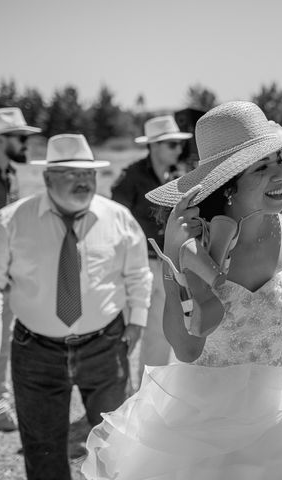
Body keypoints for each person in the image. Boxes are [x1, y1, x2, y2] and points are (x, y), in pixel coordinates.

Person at [82, 101, 282, 480]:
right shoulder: (198, 245)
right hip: (207, 424)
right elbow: (186, 350)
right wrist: (174, 257)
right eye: (262, 167)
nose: (280, 174)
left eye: (279, 160)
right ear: (229, 184)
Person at [0, 134, 152, 480]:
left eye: (89, 173)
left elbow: (139, 275)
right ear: (47, 178)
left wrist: (137, 323)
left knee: (114, 447)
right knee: (43, 449)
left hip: (105, 346)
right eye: (70, 173)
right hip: (35, 350)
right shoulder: (11, 222)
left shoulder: (119, 219)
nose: (83, 180)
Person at [112, 115, 192, 377]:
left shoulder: (180, 177)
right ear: (153, 146)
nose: (178, 150)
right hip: (137, 264)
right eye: (171, 144)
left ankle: (147, 395)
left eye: (178, 144)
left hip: (168, 263)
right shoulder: (130, 177)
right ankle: (118, 390)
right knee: (124, 329)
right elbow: (116, 219)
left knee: (159, 332)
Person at [0, 107, 41, 432]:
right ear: (0, 140)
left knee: (3, 342)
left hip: (6, 273)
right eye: (21, 138)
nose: (27, 144)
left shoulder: (10, 174)